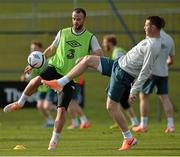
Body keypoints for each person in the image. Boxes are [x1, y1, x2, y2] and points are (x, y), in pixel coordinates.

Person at [41, 16, 164, 150]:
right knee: (87, 59)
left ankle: (128, 138)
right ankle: (60, 82)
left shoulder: (153, 46)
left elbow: (146, 70)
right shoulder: (150, 41)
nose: (144, 27)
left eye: (147, 25)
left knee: (111, 106)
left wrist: (135, 89)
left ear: (154, 27)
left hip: (123, 73)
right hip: (118, 64)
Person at [3, 8, 103, 150]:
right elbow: (51, 48)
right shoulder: (63, 32)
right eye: (74, 18)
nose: (76, 21)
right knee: (37, 80)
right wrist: (35, 63)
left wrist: (87, 58)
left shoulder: (90, 37)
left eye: (79, 19)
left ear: (84, 20)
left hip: (70, 77)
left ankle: (53, 141)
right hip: (55, 67)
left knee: (61, 111)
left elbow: (100, 53)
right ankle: (19, 103)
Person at [132, 18, 176, 133]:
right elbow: (171, 60)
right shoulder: (170, 39)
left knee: (144, 96)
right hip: (163, 73)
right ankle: (171, 125)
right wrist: (163, 64)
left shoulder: (152, 38)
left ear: (155, 26)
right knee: (165, 98)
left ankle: (143, 124)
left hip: (151, 73)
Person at [102, 34, 139, 129]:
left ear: (110, 43)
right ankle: (124, 121)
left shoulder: (118, 52)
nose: (103, 45)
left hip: (124, 79)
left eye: (105, 43)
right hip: (125, 79)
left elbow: (124, 65)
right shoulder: (117, 51)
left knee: (119, 101)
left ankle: (134, 121)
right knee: (119, 101)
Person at [20, 40, 57, 127]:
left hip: (49, 85)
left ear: (41, 49)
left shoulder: (47, 60)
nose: (33, 51)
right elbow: (31, 76)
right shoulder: (32, 62)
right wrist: (25, 76)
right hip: (41, 87)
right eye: (32, 49)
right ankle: (50, 121)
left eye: (35, 49)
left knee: (46, 106)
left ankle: (62, 108)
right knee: (40, 105)